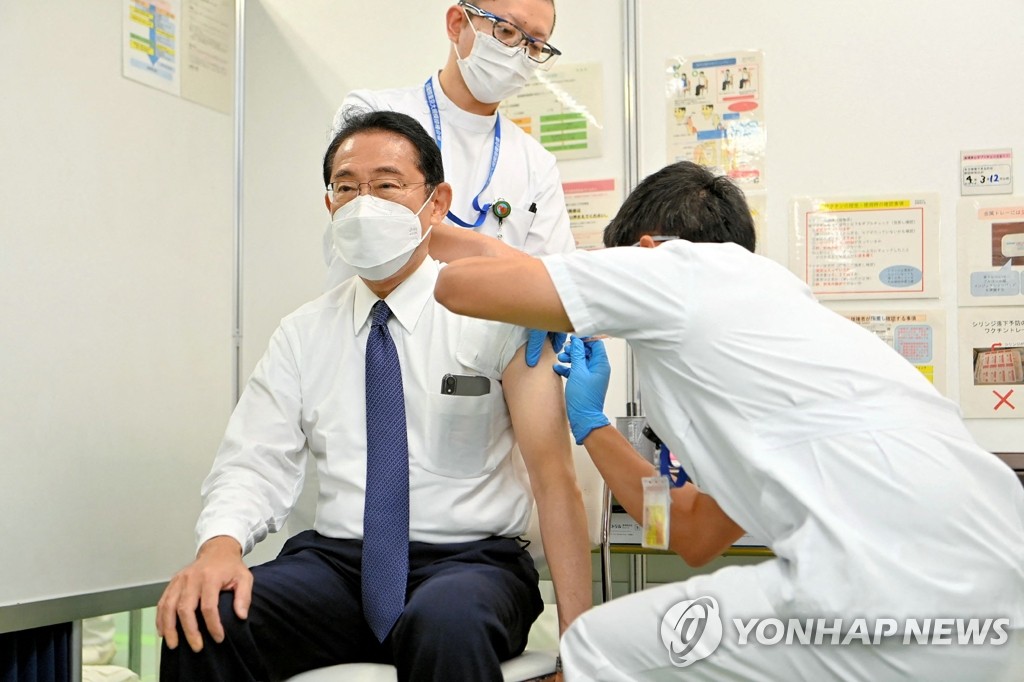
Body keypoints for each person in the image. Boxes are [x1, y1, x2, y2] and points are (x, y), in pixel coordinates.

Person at [434, 160, 1024, 680]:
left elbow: (459, 288)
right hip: (1002, 604)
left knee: (596, 647)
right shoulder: (784, 327)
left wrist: (445, 250)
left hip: (879, 591)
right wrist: (594, 426)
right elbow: (690, 533)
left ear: (641, 250)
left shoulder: (675, 268)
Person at [157, 110, 591, 682]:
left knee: (444, 623)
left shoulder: (495, 316)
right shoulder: (303, 332)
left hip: (469, 565)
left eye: (387, 185)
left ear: (435, 203)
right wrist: (220, 546)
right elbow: (253, 459)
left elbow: (553, 479)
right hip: (338, 565)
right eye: (346, 187)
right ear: (330, 204)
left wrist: (580, 644)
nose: (365, 203)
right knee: (203, 618)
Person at [324, 0, 575, 296]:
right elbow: (373, 225)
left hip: (483, 340)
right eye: (506, 31)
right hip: (369, 328)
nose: (519, 53)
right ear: (457, 24)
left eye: (535, 47)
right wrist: (495, 254)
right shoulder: (372, 113)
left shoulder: (536, 161)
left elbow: (549, 277)